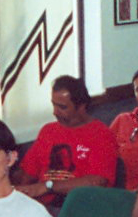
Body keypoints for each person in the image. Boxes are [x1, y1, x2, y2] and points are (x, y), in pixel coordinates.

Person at [16, 74, 118, 209]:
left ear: (81, 107)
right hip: (42, 206)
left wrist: (48, 186)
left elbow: (98, 181)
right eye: (53, 105)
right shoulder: (48, 131)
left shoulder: (101, 134)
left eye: (62, 107)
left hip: (77, 208)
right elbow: (26, 175)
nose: (55, 112)